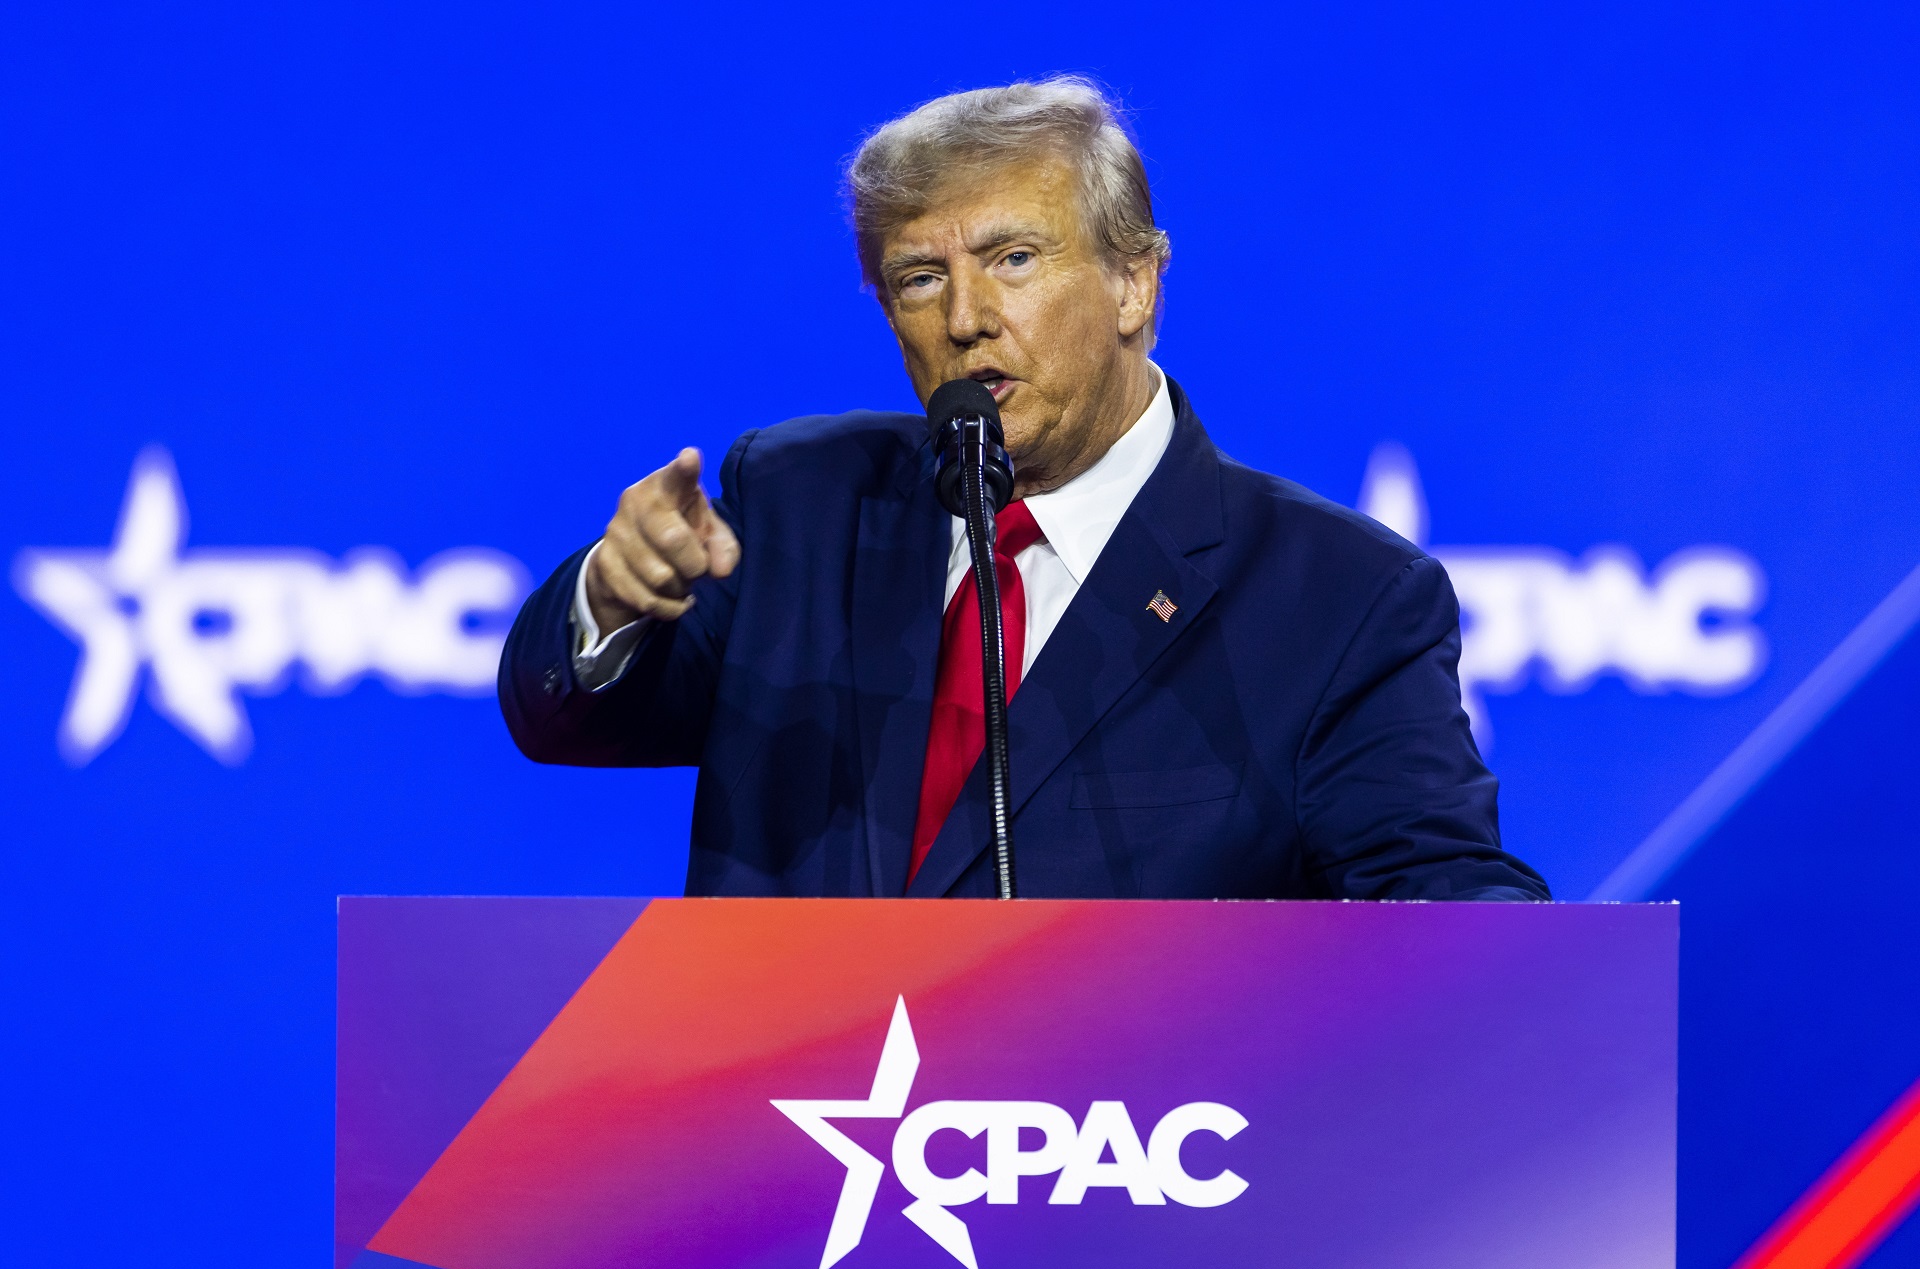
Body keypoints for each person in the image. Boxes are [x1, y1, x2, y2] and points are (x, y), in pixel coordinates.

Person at [499, 77, 1549, 902]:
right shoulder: (803, 500)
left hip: (1121, 1115)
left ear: (1135, 282)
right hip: (787, 1110)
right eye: (920, 278)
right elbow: (563, 721)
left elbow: (1443, 900)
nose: (964, 319)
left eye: (1013, 259)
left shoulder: (1337, 597)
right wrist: (612, 598)